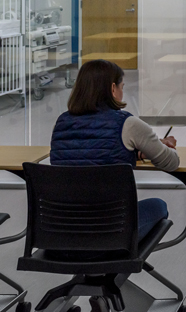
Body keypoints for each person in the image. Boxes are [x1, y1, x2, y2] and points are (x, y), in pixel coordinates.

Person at [50, 60, 179, 240]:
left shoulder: (62, 123)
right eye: (121, 87)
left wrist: (135, 152)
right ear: (112, 89)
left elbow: (89, 153)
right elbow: (171, 163)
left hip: (63, 231)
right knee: (158, 206)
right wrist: (164, 146)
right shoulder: (127, 123)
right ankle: (116, 261)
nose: (122, 92)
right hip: (110, 230)